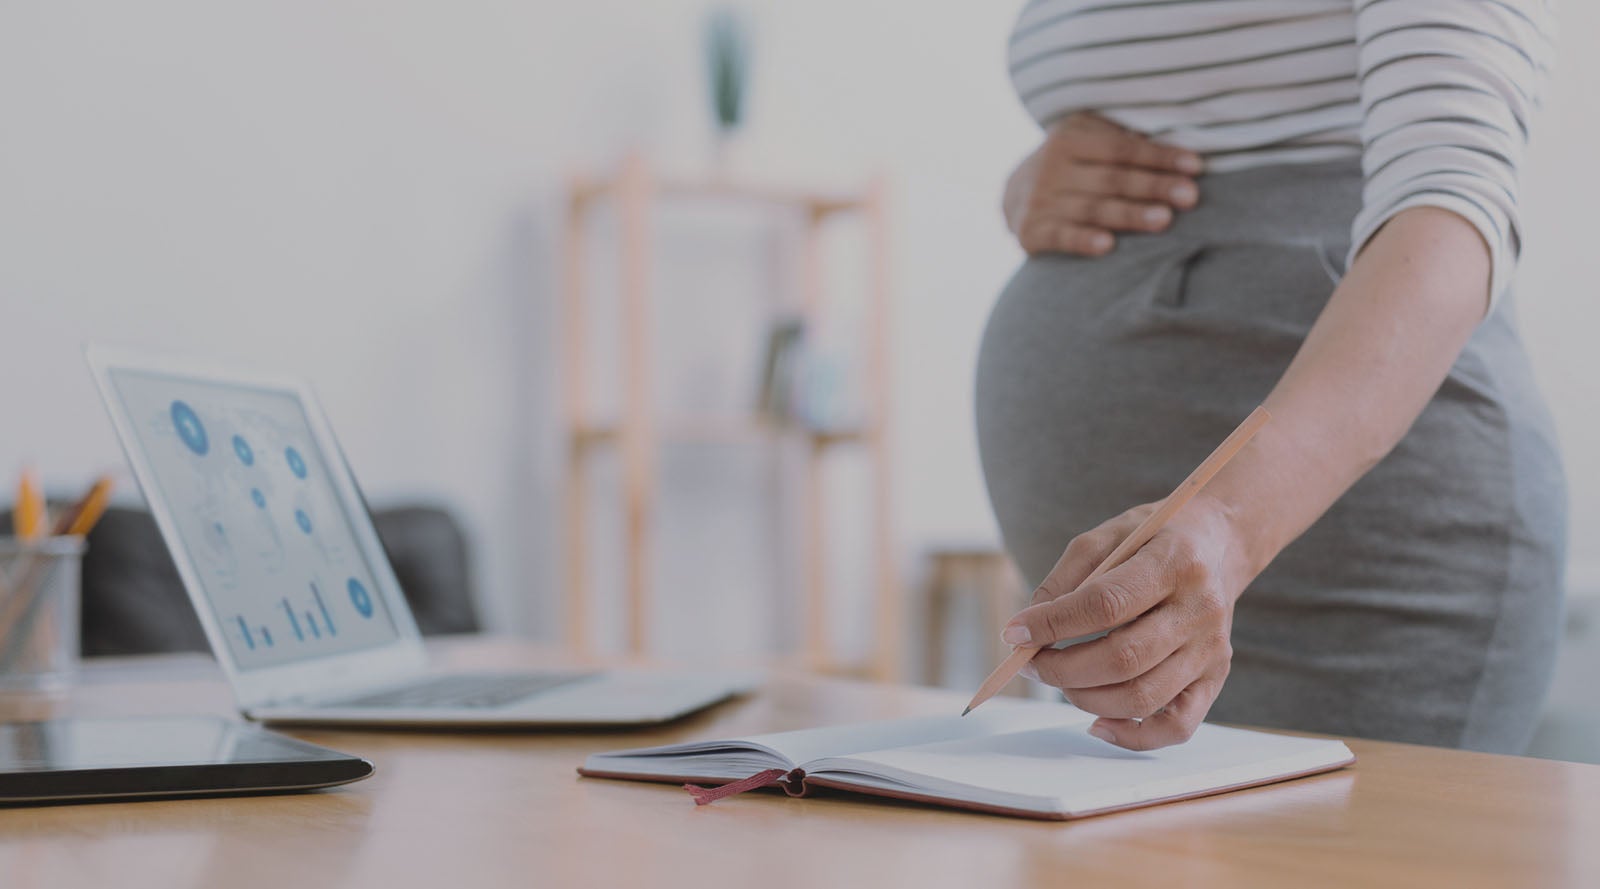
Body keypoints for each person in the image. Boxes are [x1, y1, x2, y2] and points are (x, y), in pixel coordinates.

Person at [975, 0, 1563, 754]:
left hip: (1362, 564)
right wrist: (1026, 187)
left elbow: (1450, 200)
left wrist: (1228, 523)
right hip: (1127, 626)